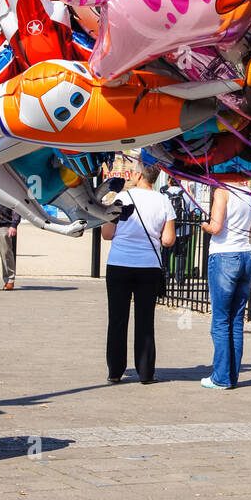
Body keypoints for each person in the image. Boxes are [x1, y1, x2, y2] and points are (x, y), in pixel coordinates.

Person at [101, 160, 175, 384]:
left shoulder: (122, 198)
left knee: (117, 319)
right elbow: (168, 239)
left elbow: (107, 233)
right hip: (148, 265)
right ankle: (145, 372)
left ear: (140, 175)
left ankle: (115, 370)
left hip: (120, 263)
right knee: (145, 320)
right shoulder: (164, 202)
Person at [200, 179, 251, 390]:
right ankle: (231, 376)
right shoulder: (248, 193)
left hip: (224, 256)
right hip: (245, 257)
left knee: (221, 320)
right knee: (236, 320)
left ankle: (221, 377)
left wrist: (204, 225)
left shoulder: (222, 192)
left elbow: (216, 227)